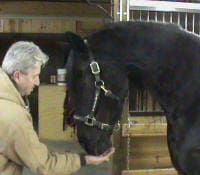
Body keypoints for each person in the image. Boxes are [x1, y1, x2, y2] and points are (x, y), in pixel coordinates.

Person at [0, 41, 115, 175]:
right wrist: (85, 160)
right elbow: (44, 165)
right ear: (17, 76)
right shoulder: (14, 118)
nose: (37, 82)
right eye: (34, 76)